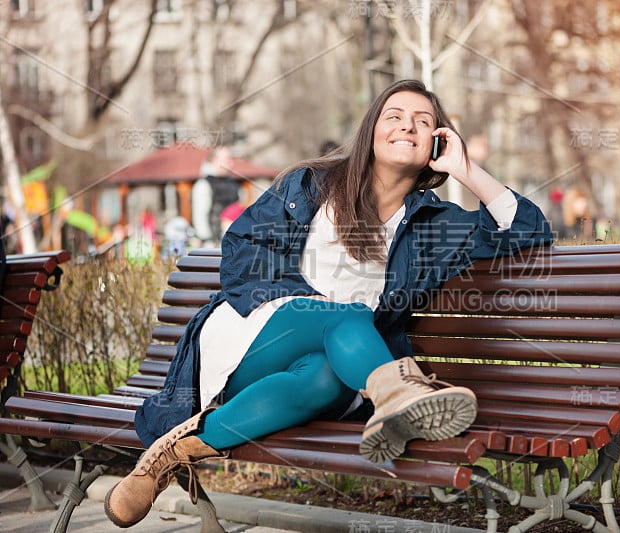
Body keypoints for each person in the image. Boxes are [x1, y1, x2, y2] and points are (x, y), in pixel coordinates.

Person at [104, 79, 553, 528]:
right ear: (371, 131)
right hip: (250, 340)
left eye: (423, 122)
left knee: (322, 376)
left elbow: (529, 231)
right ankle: (399, 397)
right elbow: (243, 250)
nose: (407, 127)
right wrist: (305, 306)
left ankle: (168, 455)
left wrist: (467, 169)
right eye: (393, 116)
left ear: (437, 141)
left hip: (346, 368)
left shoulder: (435, 226)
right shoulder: (311, 185)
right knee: (347, 315)